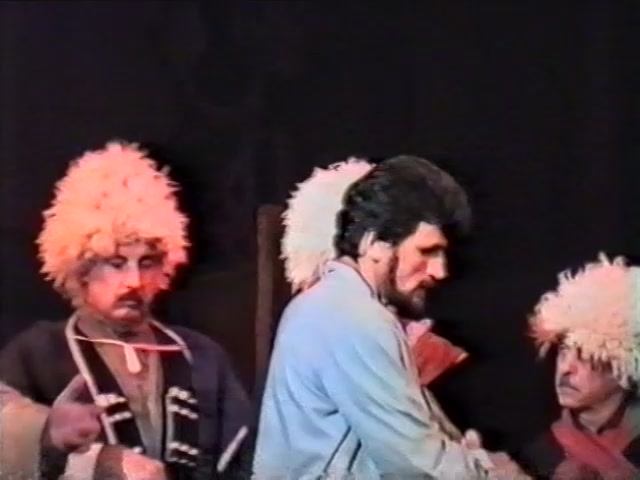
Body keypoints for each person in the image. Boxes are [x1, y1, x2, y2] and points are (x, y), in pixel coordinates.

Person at [254, 156, 523, 479]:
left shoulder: (328, 303)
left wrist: (470, 458)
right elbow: (416, 464)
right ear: (374, 243)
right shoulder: (354, 317)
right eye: (426, 251)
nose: (440, 270)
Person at [0, 141, 252, 480]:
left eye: (147, 263)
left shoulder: (202, 356)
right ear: (81, 270)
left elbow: (244, 462)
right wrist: (54, 439)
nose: (134, 281)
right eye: (116, 264)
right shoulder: (37, 354)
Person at [518, 255, 640, 479]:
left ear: (624, 363)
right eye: (564, 349)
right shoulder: (535, 457)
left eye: (585, 353)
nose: (565, 368)